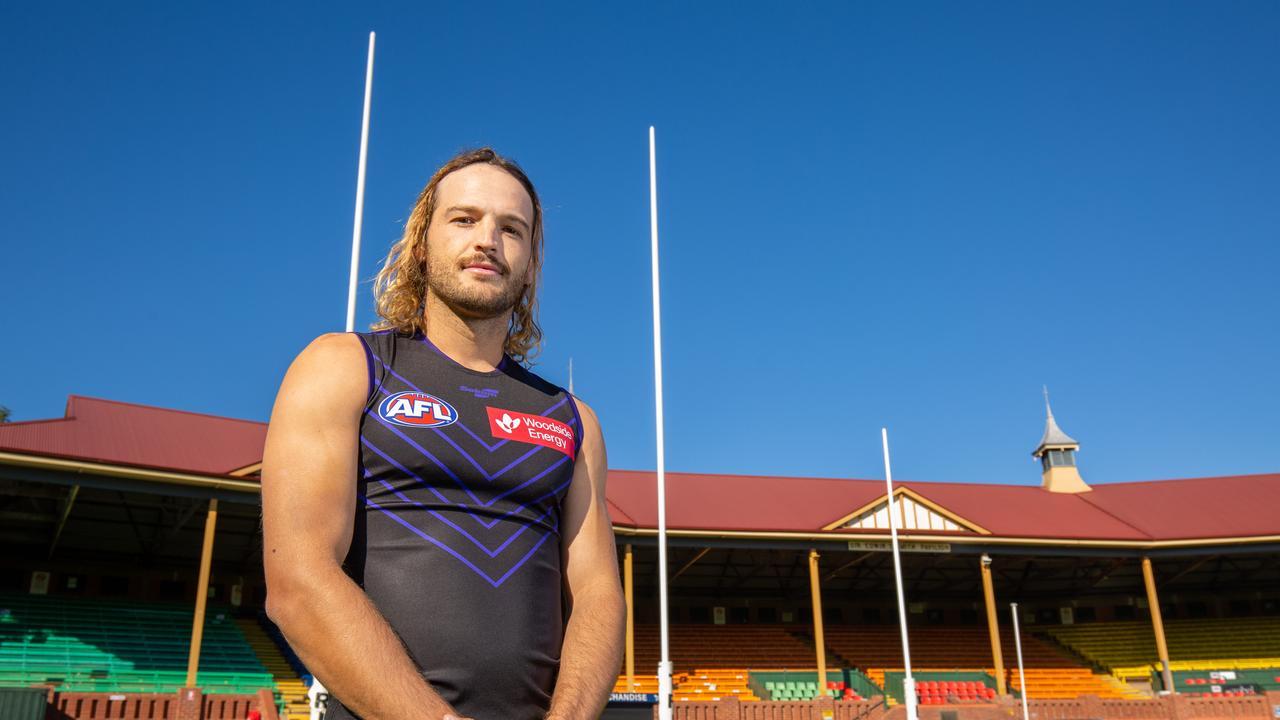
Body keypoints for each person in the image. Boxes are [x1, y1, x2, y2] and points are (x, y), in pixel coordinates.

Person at [261, 148, 625, 720]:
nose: (488, 240)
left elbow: (599, 596)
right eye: (464, 219)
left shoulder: (573, 418)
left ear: (531, 262)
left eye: (512, 229)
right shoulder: (344, 367)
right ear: (422, 242)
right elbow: (298, 581)